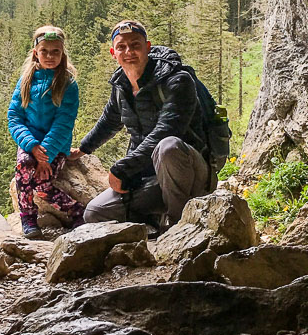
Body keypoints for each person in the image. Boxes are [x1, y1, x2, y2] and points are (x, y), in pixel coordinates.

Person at [70, 19, 214, 229]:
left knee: (168, 146)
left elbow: (166, 131)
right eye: (121, 47)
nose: (129, 51)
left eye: (135, 45)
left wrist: (123, 168)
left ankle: (179, 228)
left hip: (190, 174)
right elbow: (109, 121)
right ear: (113, 53)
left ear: (147, 47)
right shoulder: (121, 85)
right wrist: (82, 149)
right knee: (95, 213)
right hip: (152, 177)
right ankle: (149, 227)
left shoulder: (177, 81)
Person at [7, 25, 86, 240]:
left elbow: (64, 122)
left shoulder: (68, 84)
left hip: (55, 144)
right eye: (44, 51)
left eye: (55, 52)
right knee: (23, 167)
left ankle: (76, 210)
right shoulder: (26, 80)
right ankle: (27, 216)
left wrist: (46, 156)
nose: (50, 56)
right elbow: (14, 117)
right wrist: (31, 145)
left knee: (41, 184)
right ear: (35, 53)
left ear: (63, 54)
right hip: (30, 142)